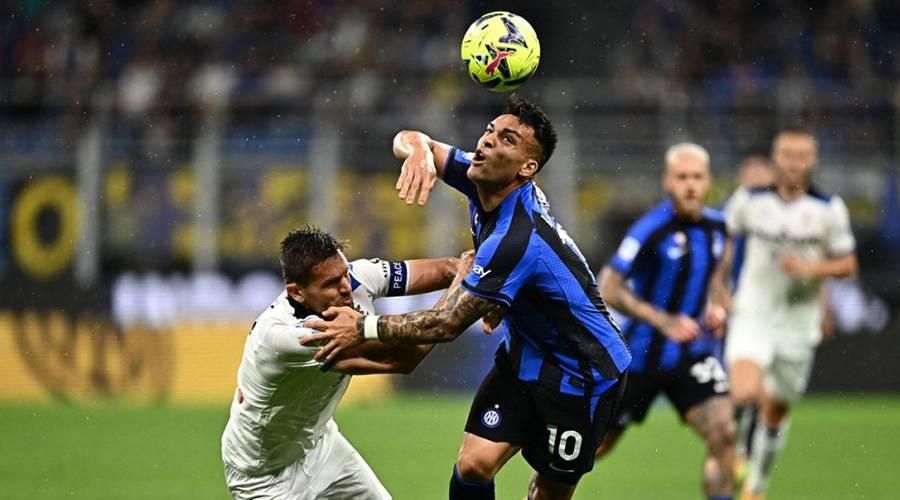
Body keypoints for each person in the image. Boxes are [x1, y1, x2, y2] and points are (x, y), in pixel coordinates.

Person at [301, 97, 632, 500]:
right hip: (524, 354)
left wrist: (362, 326)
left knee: (548, 492)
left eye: (506, 139)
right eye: (490, 130)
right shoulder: (483, 177)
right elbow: (410, 138)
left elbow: (446, 324)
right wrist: (419, 151)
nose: (487, 141)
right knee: (473, 466)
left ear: (527, 168)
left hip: (582, 373)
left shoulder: (517, 237)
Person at [220, 226, 467, 500]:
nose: (346, 287)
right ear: (297, 292)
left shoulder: (359, 277)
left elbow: (453, 269)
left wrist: (474, 274)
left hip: (321, 447)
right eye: (329, 284)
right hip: (263, 476)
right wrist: (458, 300)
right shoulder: (286, 336)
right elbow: (402, 358)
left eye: (344, 273)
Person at [592, 143, 736, 500]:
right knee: (593, 447)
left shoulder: (719, 228)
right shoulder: (650, 229)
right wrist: (663, 320)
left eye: (697, 177)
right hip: (639, 356)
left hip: (691, 354)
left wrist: (720, 308)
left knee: (724, 432)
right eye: (682, 177)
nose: (690, 185)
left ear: (708, 181)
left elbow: (719, 282)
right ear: (667, 182)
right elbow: (608, 286)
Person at [723, 128, 858, 500]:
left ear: (813, 160)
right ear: (775, 157)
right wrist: (717, 290)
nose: (794, 163)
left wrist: (812, 270)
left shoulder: (828, 209)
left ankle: (757, 486)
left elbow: (848, 264)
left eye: (802, 156)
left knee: (775, 411)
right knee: (742, 391)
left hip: (798, 321)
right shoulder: (750, 199)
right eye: (787, 154)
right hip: (753, 311)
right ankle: (737, 453)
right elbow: (724, 240)